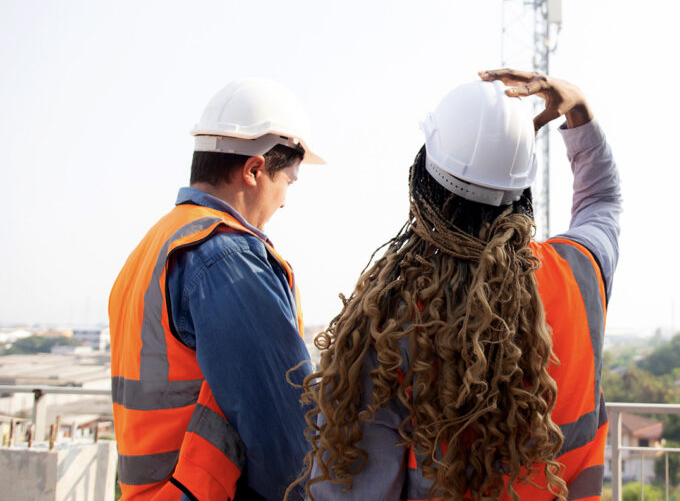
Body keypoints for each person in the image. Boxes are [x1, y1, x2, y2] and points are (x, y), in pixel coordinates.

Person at [294, 70, 621, 501]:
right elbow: (602, 201)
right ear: (523, 193)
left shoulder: (393, 323)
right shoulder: (580, 273)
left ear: (421, 186)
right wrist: (579, 112)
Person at [108, 79, 325, 501]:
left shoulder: (158, 244)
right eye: (289, 182)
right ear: (255, 170)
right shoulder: (223, 258)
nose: (284, 202)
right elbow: (286, 435)